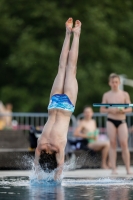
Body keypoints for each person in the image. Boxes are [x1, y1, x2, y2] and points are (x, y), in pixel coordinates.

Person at [34, 18, 81, 179]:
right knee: (62, 68)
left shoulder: (58, 147)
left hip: (66, 107)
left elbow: (60, 168)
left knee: (71, 69)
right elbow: (36, 166)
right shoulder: (40, 146)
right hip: (53, 105)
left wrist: (54, 180)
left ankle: (77, 34)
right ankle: (68, 34)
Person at [100, 73, 132, 174]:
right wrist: (110, 110)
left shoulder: (124, 94)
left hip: (122, 120)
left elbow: (130, 108)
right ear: (110, 83)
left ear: (119, 82)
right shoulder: (106, 95)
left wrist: (123, 111)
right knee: (112, 143)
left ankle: (127, 168)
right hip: (111, 120)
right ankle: (113, 168)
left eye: (116, 82)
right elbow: (102, 109)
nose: (115, 84)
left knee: (124, 144)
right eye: (113, 82)